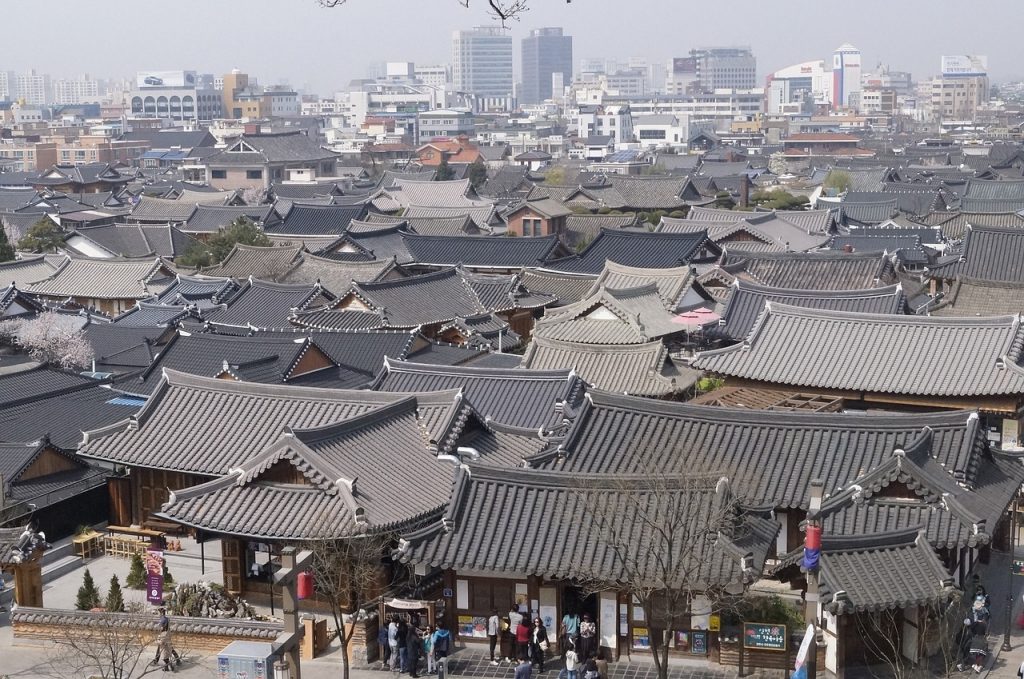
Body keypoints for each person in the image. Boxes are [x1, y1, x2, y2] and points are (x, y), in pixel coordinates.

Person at [150, 608, 181, 672]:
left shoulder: (162, 620)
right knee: (169, 648)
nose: (158, 614)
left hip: (164, 636)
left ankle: (158, 661)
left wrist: (158, 633)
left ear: (161, 613)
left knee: (163, 648)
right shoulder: (167, 619)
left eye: (158, 612)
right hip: (168, 635)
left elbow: (161, 628)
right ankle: (177, 659)